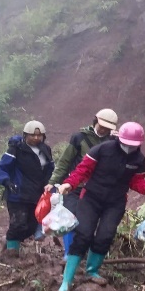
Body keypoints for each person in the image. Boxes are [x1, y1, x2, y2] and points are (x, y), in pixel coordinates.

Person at [54, 121, 145, 291]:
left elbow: (136, 181)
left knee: (105, 235)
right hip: (91, 198)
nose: (129, 148)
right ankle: (66, 281)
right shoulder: (102, 150)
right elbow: (81, 171)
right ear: (120, 139)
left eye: (133, 145)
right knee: (84, 233)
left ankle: (91, 271)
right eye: (126, 144)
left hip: (115, 203)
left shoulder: (138, 160)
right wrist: (68, 184)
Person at [48, 108, 119, 259]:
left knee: (88, 222)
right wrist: (54, 181)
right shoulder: (79, 137)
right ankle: (69, 253)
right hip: (74, 186)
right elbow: (64, 161)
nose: (104, 130)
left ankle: (83, 253)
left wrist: (120, 142)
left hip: (95, 189)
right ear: (95, 121)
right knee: (71, 217)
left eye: (108, 128)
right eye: (102, 126)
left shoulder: (113, 142)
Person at [0, 120, 54, 258]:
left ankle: (8, 241)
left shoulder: (45, 150)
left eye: (39, 135)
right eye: (32, 135)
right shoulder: (16, 149)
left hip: (36, 195)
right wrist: (7, 181)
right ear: (25, 135)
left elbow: (51, 169)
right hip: (17, 194)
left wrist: (52, 184)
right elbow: (1, 167)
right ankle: (11, 254)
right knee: (18, 223)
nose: (36, 138)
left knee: (32, 226)